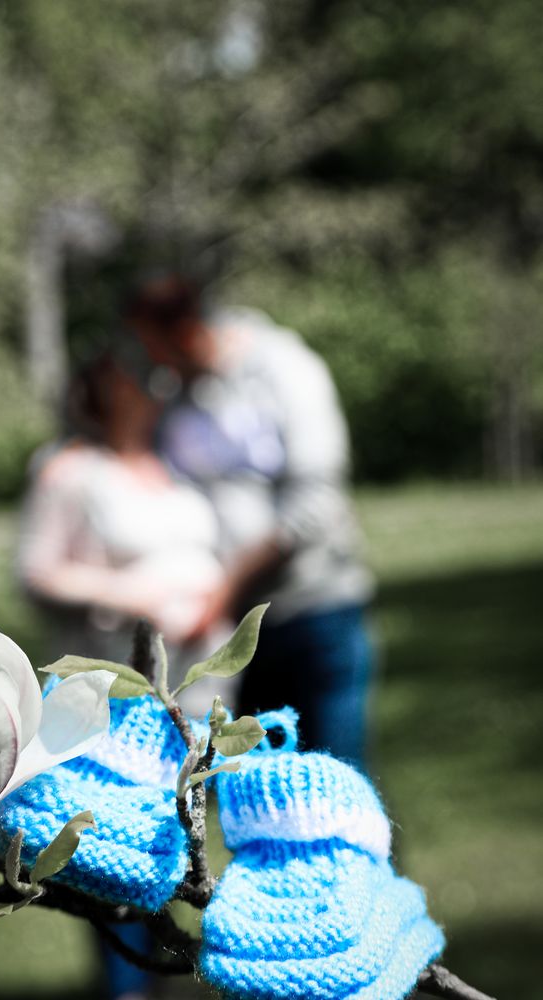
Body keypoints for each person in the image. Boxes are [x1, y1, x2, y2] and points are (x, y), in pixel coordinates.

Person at [16, 349, 230, 1000]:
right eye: (141, 381)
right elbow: (36, 571)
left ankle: (163, 980)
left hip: (194, 693)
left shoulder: (172, 465)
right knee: (115, 850)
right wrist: (132, 595)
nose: (157, 392)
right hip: (115, 700)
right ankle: (127, 987)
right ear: (109, 391)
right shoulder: (70, 469)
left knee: (173, 850)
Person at [126, 275, 376, 769]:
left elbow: (317, 501)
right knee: (259, 794)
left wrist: (228, 585)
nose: (148, 360)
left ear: (185, 330)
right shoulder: (173, 394)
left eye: (151, 344)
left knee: (338, 785)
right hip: (238, 629)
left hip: (314, 610)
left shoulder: (285, 369)